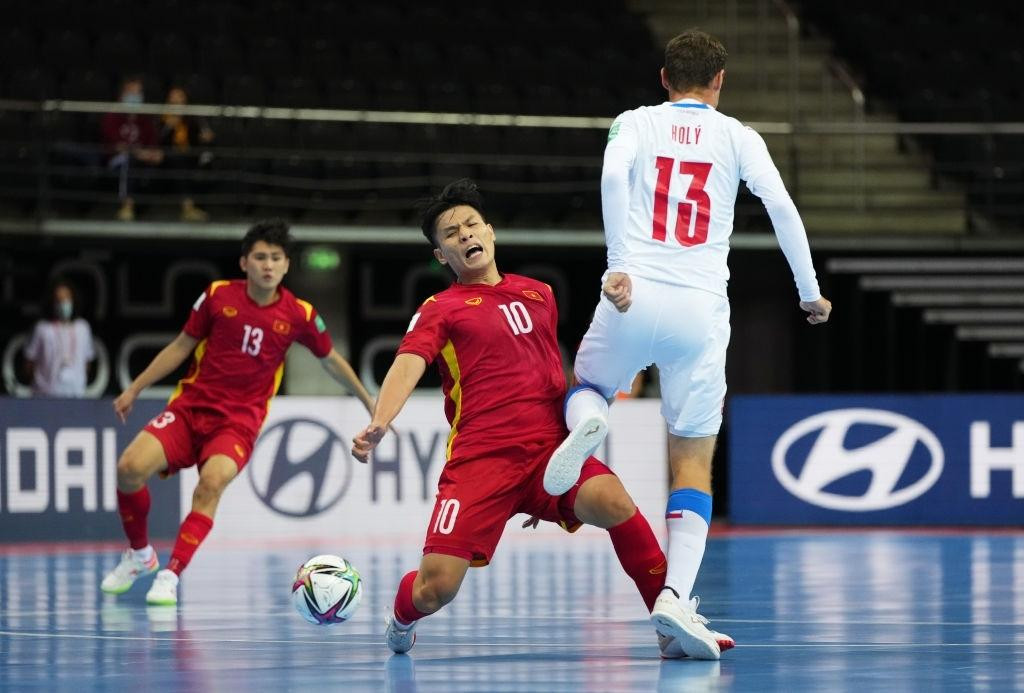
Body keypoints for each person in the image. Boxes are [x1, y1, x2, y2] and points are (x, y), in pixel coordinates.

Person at [542, 29, 832, 660]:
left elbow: (613, 179)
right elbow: (783, 208)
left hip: (634, 291)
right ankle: (674, 595)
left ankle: (593, 422)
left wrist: (618, 262)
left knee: (587, 387)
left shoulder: (634, 123)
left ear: (663, 77)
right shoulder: (740, 137)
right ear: (720, 82)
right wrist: (808, 291)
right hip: (702, 309)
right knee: (692, 459)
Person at [351, 179, 729, 659]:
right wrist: (381, 420)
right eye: (451, 233)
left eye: (471, 225)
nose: (465, 235)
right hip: (481, 463)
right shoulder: (439, 309)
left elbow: (551, 369)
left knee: (615, 503)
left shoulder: (539, 294)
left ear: (490, 232)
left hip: (553, 453)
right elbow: (408, 363)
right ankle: (403, 616)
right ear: (442, 255)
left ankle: (669, 624)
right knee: (437, 588)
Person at [101, 219, 376, 606]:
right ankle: (139, 554)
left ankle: (171, 573)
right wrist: (135, 387)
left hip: (237, 423)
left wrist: (367, 399)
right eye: (260, 257)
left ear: (285, 266)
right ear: (245, 262)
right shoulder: (217, 296)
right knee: (128, 469)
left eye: (276, 258)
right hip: (189, 408)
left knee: (211, 483)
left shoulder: (299, 314)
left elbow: (329, 360)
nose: (268, 264)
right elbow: (181, 346)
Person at [101, 75, 164, 222]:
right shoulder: (111, 116)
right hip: (117, 161)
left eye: (138, 93)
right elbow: (118, 146)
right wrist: (139, 153)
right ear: (122, 95)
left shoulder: (145, 119)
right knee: (128, 161)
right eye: (131, 93)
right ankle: (126, 206)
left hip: (141, 161)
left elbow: (153, 144)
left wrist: (156, 154)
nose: (134, 97)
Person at [23, 278, 95, 397]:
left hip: (75, 394)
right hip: (46, 395)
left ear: (73, 300)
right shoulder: (42, 328)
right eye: (59, 300)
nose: (63, 303)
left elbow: (87, 362)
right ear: (52, 303)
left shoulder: (83, 327)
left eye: (67, 298)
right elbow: (30, 363)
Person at [160, 85, 215, 222]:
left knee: (200, 162)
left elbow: (204, 135)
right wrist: (168, 127)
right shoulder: (161, 117)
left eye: (179, 97)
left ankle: (195, 207)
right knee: (178, 160)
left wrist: (206, 137)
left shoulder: (193, 117)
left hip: (190, 156)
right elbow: (157, 141)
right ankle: (188, 208)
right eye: (173, 97)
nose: (176, 100)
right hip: (167, 157)